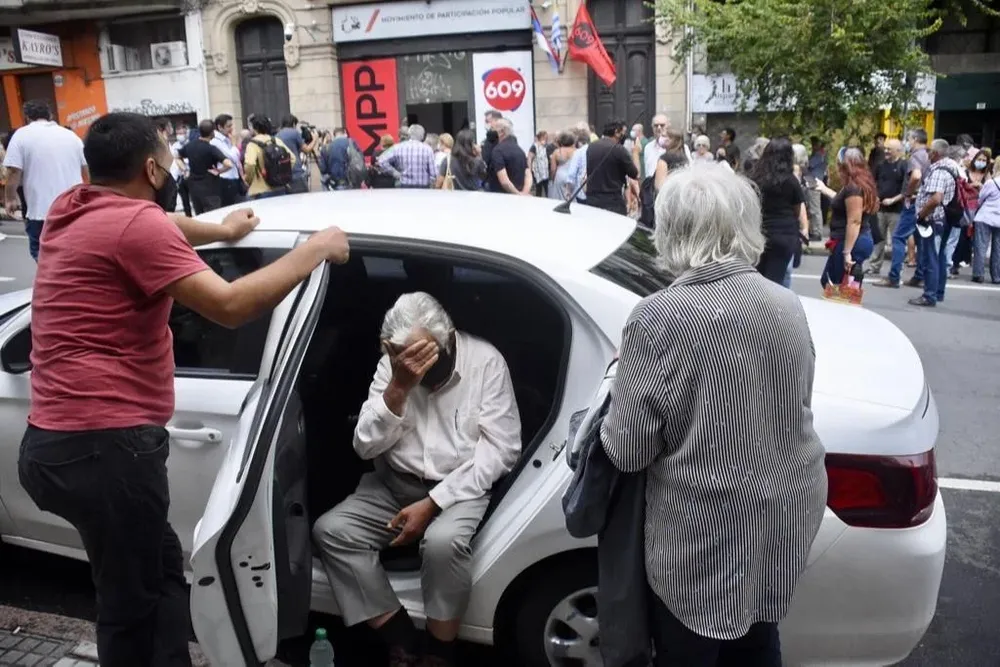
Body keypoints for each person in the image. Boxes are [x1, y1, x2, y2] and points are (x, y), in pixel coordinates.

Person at [16, 111, 350, 667]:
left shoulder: (68, 209)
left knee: (158, 573)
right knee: (136, 605)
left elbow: (156, 222)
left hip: (51, 447)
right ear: (151, 168)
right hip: (107, 448)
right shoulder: (136, 227)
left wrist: (220, 231)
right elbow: (229, 306)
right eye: (166, 164)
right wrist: (315, 249)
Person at [601, 161, 826, 667]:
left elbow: (630, 450)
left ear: (670, 230)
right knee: (758, 640)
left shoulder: (658, 316)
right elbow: (797, 401)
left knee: (690, 649)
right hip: (781, 518)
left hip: (702, 532)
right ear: (745, 224)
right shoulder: (785, 303)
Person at [312, 292, 520, 667]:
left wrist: (434, 502)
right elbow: (364, 446)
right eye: (406, 359)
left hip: (459, 488)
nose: (419, 370)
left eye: (426, 358)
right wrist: (398, 388)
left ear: (449, 338)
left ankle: (440, 652)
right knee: (332, 531)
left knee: (442, 544)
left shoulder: (485, 362)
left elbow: (502, 451)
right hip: (393, 484)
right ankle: (401, 638)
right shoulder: (392, 367)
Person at [3, 100, 88, 261]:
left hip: (41, 210)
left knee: (41, 252)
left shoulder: (21, 135)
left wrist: (10, 199)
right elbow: (85, 169)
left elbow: (14, 171)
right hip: (73, 207)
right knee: (74, 249)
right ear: (50, 115)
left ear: (27, 117)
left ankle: (55, 281)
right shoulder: (70, 135)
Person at [811, 148, 878, 290]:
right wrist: (824, 189)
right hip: (857, 239)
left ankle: (842, 311)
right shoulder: (859, 185)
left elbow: (854, 221)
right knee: (843, 286)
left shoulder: (853, 188)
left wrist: (847, 253)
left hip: (851, 241)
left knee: (836, 287)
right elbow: (846, 203)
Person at [908, 138, 962, 307]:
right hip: (945, 219)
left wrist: (921, 215)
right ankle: (938, 292)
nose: (928, 153)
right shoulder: (952, 167)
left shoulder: (939, 171)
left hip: (933, 219)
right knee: (940, 256)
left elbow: (936, 198)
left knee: (930, 256)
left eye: (931, 150)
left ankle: (929, 295)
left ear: (936, 153)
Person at [750, 136, 810, 285]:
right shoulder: (791, 181)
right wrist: (804, 227)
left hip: (760, 233)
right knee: (776, 280)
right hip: (785, 234)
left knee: (758, 277)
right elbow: (798, 208)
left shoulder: (756, 178)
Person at [877, 128, 931, 289]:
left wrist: (908, 192)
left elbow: (916, 176)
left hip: (913, 202)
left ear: (915, 139)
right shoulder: (928, 155)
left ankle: (894, 277)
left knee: (898, 238)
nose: (908, 142)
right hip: (924, 203)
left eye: (909, 139)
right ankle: (920, 275)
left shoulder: (915, 157)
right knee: (920, 240)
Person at [868, 138, 907, 276]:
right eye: (885, 148)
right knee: (878, 238)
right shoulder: (880, 165)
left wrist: (893, 200)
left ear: (898, 151)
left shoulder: (903, 165)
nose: (886, 151)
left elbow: (906, 189)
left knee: (896, 240)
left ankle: (896, 269)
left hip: (896, 210)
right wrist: (875, 197)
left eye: (889, 149)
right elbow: (873, 183)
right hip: (880, 208)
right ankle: (874, 266)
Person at [176, 119, 231, 215]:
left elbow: (177, 157)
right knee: (214, 216)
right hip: (211, 189)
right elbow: (228, 164)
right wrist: (219, 171)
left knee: (200, 216)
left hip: (194, 189)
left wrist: (185, 169)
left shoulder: (190, 146)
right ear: (212, 132)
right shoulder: (211, 149)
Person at [584, 119, 638, 215]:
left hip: (592, 201)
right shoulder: (619, 149)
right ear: (617, 132)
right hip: (613, 203)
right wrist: (635, 152)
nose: (624, 136)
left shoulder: (591, 147)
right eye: (623, 132)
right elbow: (635, 174)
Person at [244, 114, 296, 200]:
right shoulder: (275, 140)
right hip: (280, 187)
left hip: (261, 189)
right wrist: (282, 174)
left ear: (254, 128)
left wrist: (249, 180)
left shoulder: (252, 144)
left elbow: (250, 164)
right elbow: (292, 158)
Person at [377, 123, 438, 189]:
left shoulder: (399, 147)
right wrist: (431, 186)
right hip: (423, 187)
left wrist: (395, 173)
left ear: (409, 134)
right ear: (422, 136)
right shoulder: (428, 149)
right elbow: (433, 173)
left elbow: (381, 160)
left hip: (404, 185)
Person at [973, 156, 1000, 283]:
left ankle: (979, 274)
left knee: (981, 246)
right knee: (998, 248)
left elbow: (980, 199)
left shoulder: (991, 182)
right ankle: (996, 276)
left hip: (985, 217)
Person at [487, 118, 531, 196]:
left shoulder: (497, 151)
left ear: (502, 132)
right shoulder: (519, 150)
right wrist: (524, 193)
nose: (491, 132)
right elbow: (528, 174)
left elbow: (504, 181)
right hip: (518, 197)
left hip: (503, 199)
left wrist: (518, 195)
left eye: (493, 129)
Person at [211, 113, 246, 206]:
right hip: (226, 179)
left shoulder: (227, 138)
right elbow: (232, 158)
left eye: (232, 125)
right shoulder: (216, 141)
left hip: (235, 177)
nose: (231, 129)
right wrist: (234, 144)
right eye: (228, 126)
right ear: (220, 127)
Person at [276, 114, 314, 194]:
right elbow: (307, 150)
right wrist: (315, 138)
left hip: (282, 173)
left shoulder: (277, 135)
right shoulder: (294, 133)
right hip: (296, 172)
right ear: (293, 124)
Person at [805, 137, 829, 241]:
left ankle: (817, 232)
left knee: (815, 208)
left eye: (815, 144)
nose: (813, 146)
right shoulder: (818, 155)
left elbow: (808, 165)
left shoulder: (819, 156)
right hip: (812, 181)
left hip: (814, 182)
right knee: (812, 208)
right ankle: (814, 230)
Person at [547, 132, 577, 201]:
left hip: (560, 176)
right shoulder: (577, 151)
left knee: (559, 199)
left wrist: (552, 179)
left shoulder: (557, 152)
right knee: (573, 197)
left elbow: (553, 169)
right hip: (573, 176)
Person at [528, 130, 550, 197]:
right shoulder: (534, 146)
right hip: (537, 172)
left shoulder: (545, 146)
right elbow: (529, 159)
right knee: (538, 190)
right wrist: (529, 171)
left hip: (545, 172)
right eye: (545, 137)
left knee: (547, 190)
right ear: (541, 137)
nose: (546, 139)